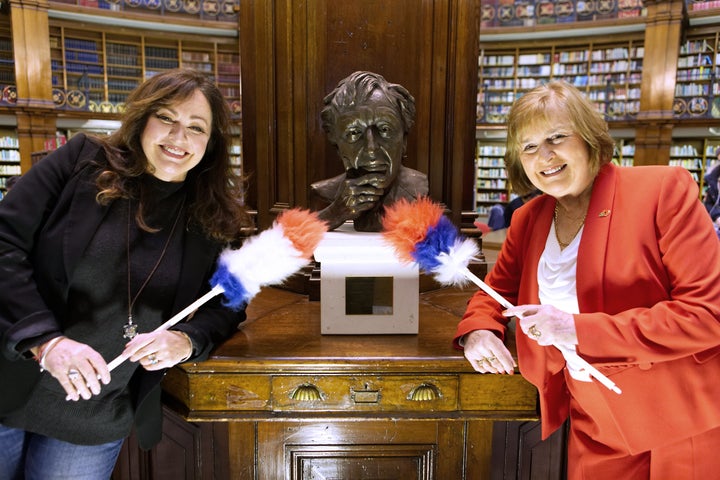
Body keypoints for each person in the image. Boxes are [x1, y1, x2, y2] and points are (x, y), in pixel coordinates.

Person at [454, 81, 720, 479]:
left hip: (677, 416)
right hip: (592, 419)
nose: (544, 156)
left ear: (590, 139)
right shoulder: (528, 219)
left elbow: (706, 315)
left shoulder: (662, 190)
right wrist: (478, 331)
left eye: (556, 137)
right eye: (528, 147)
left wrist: (577, 329)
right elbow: (495, 293)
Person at [0, 68, 252, 479]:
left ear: (211, 143)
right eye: (167, 118)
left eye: (196, 127)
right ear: (142, 119)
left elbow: (229, 302)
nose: (178, 138)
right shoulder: (81, 161)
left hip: (94, 416)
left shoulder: (213, 219)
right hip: (9, 379)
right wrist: (44, 341)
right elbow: (4, 242)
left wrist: (186, 340)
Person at [310, 71, 428, 231]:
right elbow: (288, 239)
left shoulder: (419, 188)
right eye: (353, 133)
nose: (371, 149)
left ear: (404, 140)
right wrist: (335, 213)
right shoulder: (323, 192)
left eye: (385, 129)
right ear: (337, 145)